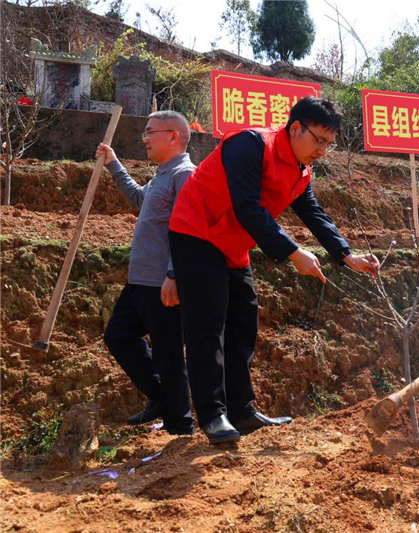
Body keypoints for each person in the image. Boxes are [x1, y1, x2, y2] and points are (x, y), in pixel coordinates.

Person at [168, 97, 381, 444]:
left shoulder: (300, 170)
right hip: (197, 232)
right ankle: (212, 415)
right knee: (207, 325)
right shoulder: (249, 145)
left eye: (329, 144)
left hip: (233, 242)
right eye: (319, 140)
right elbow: (247, 208)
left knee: (243, 322)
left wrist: (346, 254)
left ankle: (242, 410)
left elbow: (312, 211)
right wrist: (294, 253)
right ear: (295, 128)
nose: (323, 151)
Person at [98, 110, 195, 435]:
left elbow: (189, 230)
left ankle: (180, 424)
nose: (145, 139)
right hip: (140, 280)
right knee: (118, 336)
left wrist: (174, 275)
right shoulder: (161, 176)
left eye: (150, 132)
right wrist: (114, 164)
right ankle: (161, 396)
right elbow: (138, 199)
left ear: (173, 136)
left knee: (168, 353)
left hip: (162, 282)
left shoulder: (185, 175)